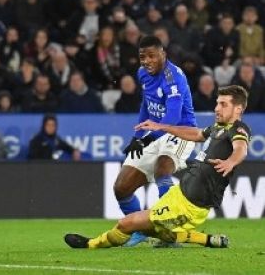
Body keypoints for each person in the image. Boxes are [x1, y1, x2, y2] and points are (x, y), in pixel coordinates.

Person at [65, 85, 251, 250]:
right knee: (159, 232)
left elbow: (241, 148)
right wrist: (162, 127)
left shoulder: (238, 128)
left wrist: (231, 161)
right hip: (179, 193)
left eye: (224, 104)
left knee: (127, 224)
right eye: (217, 103)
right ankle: (208, 240)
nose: (217, 108)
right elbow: (195, 133)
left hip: (190, 205)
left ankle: (90, 244)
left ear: (238, 109)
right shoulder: (217, 127)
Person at [114, 35, 197, 247]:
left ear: (163, 54)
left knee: (163, 169)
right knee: (121, 187)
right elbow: (146, 105)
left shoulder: (173, 77)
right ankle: (141, 229)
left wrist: (149, 137)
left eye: (152, 56)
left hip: (180, 131)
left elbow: (173, 116)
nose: (146, 61)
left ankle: (169, 233)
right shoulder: (142, 74)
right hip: (153, 132)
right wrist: (137, 137)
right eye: (143, 56)